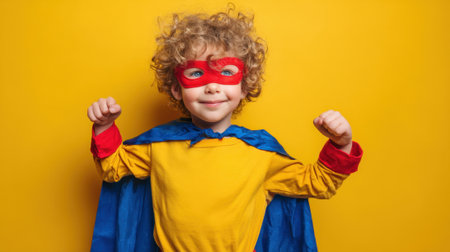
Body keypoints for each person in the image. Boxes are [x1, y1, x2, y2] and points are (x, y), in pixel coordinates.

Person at [88, 9, 362, 252]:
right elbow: (113, 167)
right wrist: (104, 126)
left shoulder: (259, 152)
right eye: (196, 74)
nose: (212, 86)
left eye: (227, 72)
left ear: (243, 87)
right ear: (176, 88)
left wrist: (341, 144)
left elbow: (318, 182)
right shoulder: (158, 146)